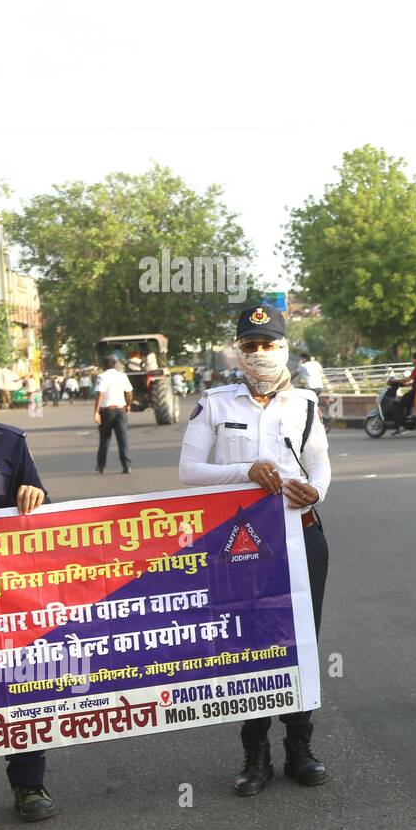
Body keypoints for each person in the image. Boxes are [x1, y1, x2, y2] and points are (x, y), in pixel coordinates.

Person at [179, 304, 332, 796]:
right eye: (251, 345)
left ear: (284, 347)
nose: (261, 353)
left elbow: (320, 464)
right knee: (250, 643)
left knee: (300, 640)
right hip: (239, 545)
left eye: (269, 343)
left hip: (300, 533)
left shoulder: (305, 403)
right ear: (238, 351)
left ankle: (300, 747)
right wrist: (242, 472)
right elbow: (189, 471)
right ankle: (255, 754)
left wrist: (317, 491)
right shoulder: (215, 404)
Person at [0, 411, 53, 821]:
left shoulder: (9, 441)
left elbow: (40, 505)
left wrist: (34, 493)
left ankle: (29, 784)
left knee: (13, 682)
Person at [93, 356, 133, 474]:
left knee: (105, 439)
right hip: (121, 410)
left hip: (107, 411)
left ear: (103, 365)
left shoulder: (102, 377)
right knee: (122, 439)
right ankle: (126, 465)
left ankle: (101, 466)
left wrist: (96, 412)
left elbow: (100, 394)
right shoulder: (122, 376)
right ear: (115, 364)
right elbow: (129, 392)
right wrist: (128, 405)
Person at [391, 352, 416, 435]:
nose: (412, 360)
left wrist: (396, 380)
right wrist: (404, 384)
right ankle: (408, 419)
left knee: (399, 404)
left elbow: (409, 378)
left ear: (415, 359)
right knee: (407, 404)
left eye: (412, 359)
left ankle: (400, 427)